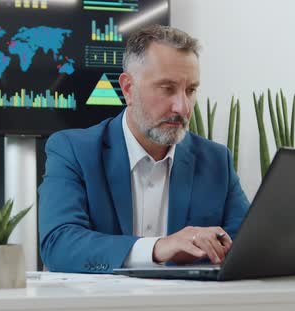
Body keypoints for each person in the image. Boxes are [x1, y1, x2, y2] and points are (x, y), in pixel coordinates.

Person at [38, 25, 250, 273]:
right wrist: (158, 248)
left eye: (190, 90)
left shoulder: (215, 160)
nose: (182, 107)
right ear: (128, 88)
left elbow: (247, 247)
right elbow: (59, 244)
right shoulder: (73, 150)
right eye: (167, 89)